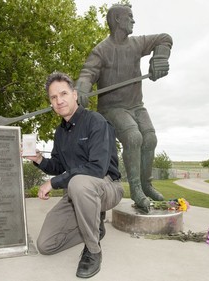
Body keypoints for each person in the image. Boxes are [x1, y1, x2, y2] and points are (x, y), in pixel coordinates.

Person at [23, 72, 124, 278]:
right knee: (46, 244)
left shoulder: (96, 121)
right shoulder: (60, 132)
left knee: (78, 184)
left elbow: (97, 168)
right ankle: (95, 226)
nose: (59, 100)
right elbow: (58, 165)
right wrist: (38, 160)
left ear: (75, 95)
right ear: (51, 102)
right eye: (53, 97)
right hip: (77, 193)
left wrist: (53, 183)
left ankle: (93, 249)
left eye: (63, 93)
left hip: (107, 187)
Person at [76, 3, 173, 211]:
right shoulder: (101, 50)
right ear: (118, 20)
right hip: (112, 109)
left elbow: (165, 38)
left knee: (150, 138)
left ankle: (147, 185)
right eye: (129, 17)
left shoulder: (136, 44)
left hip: (136, 106)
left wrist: (160, 57)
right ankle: (136, 189)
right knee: (134, 137)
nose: (133, 21)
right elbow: (87, 74)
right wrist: (82, 89)